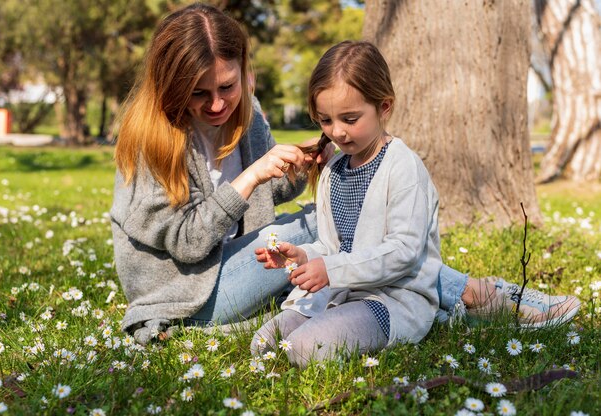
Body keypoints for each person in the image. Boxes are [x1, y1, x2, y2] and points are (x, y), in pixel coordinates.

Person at [110, 4, 580, 345]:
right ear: (172, 85)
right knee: (324, 222)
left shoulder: (244, 113)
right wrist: (251, 176)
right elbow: (190, 243)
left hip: (244, 266)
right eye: (199, 93)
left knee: (326, 220)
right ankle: (478, 294)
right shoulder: (149, 139)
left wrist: (299, 165)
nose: (216, 104)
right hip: (189, 295)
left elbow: (265, 198)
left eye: (227, 86)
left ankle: (448, 295)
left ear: (242, 71)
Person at [251, 41, 441, 367]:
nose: (337, 132)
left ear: (384, 107)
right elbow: (331, 246)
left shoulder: (402, 167)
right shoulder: (333, 172)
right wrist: (303, 256)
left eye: (350, 119)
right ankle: (326, 323)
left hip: (392, 298)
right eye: (325, 120)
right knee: (263, 345)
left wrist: (332, 270)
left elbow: (403, 252)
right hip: (341, 294)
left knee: (302, 350)